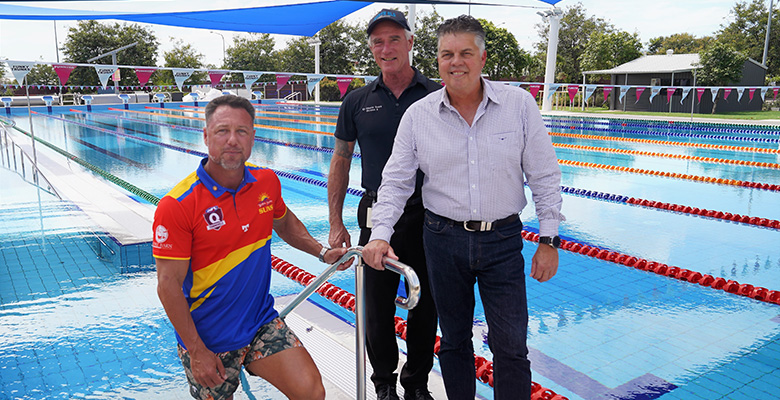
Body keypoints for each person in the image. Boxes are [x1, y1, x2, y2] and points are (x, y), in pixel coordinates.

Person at [361, 15, 565, 400]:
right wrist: (380, 235)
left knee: (510, 347)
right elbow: (396, 182)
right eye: (447, 54)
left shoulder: (518, 105)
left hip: (502, 240)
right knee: (454, 342)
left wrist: (549, 239)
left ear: (483, 58)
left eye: (465, 53)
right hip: (442, 240)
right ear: (437, 61)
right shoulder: (419, 116)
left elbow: (544, 174)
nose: (456, 62)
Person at [153, 95, 347, 400]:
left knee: (311, 391)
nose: (233, 140)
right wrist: (196, 350)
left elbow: (284, 223)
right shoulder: (178, 205)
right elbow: (168, 285)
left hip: (259, 321)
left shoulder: (266, 182)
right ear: (206, 136)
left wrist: (322, 252)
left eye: (242, 131)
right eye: (222, 131)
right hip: (208, 337)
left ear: (253, 136)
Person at [327, 8, 442, 400]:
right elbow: (340, 160)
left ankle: (417, 384)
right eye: (378, 41)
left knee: (425, 307)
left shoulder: (435, 95)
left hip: (430, 217)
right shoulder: (357, 101)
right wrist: (335, 222)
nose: (386, 47)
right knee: (376, 309)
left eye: (395, 39)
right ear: (371, 49)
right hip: (377, 217)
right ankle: (383, 385)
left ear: (410, 43)